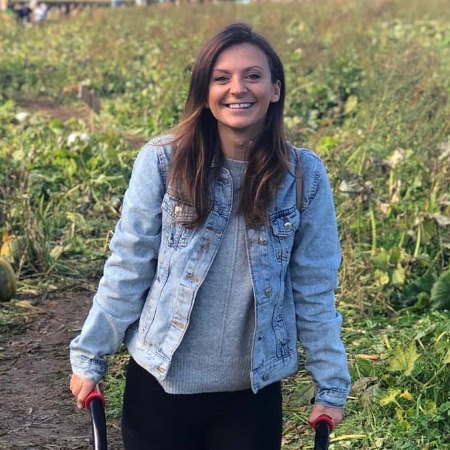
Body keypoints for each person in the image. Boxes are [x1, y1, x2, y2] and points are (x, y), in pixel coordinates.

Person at [70, 22, 351, 450]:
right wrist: (91, 356)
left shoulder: (303, 176)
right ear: (205, 92)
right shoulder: (163, 163)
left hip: (250, 397)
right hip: (160, 387)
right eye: (222, 77)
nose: (238, 88)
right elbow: (129, 265)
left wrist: (330, 385)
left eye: (253, 75)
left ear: (275, 89)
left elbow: (314, 288)